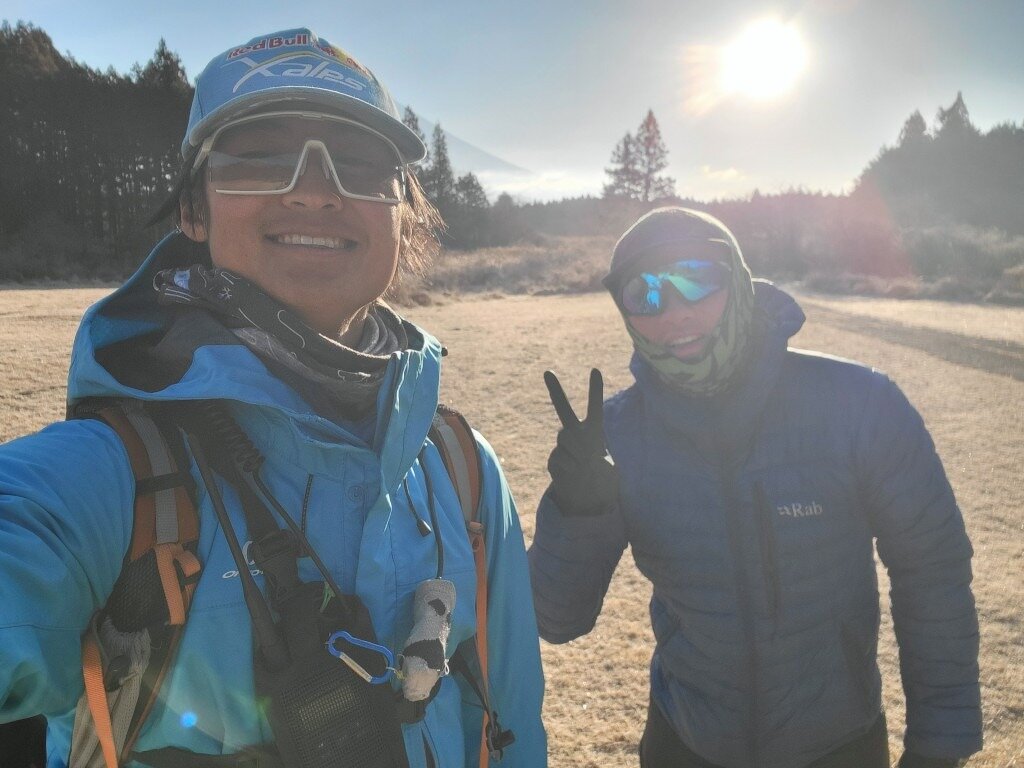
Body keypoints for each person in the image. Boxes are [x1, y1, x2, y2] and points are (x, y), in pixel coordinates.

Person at [0, 28, 546, 768]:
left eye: (360, 164)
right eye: (259, 158)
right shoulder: (110, 475)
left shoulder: (462, 467)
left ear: (403, 213)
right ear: (193, 212)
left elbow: (509, 721)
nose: (316, 190)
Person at [529, 207, 981, 768]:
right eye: (644, 294)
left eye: (695, 278)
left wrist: (938, 747)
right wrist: (577, 510)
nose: (674, 311)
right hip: (685, 744)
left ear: (739, 280)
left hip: (839, 745)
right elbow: (558, 621)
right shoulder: (619, 434)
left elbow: (932, 572)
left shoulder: (859, 403)